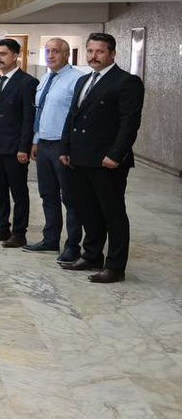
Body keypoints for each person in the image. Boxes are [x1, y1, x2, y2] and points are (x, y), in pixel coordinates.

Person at [59, 32, 144, 283]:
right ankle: (92, 255)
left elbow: (129, 123)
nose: (93, 56)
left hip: (107, 161)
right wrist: (65, 148)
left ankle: (115, 266)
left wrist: (116, 154)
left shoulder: (126, 82)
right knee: (88, 210)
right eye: (90, 51)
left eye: (100, 51)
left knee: (112, 213)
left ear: (112, 53)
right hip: (80, 157)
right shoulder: (83, 80)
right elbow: (72, 117)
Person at [24, 38, 85, 261]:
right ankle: (50, 240)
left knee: (70, 198)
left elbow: (78, 116)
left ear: (66, 55)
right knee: (47, 194)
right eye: (48, 51)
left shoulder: (77, 79)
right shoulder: (45, 78)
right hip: (44, 144)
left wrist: (69, 147)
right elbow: (40, 112)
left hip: (63, 146)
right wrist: (35, 140)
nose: (50, 55)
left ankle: (72, 245)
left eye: (56, 51)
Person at [0, 39, 38, 248]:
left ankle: (19, 233)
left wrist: (23, 148)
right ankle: (1, 228)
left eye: (3, 54)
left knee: (18, 192)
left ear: (15, 56)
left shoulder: (28, 83)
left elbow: (28, 119)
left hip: (14, 148)